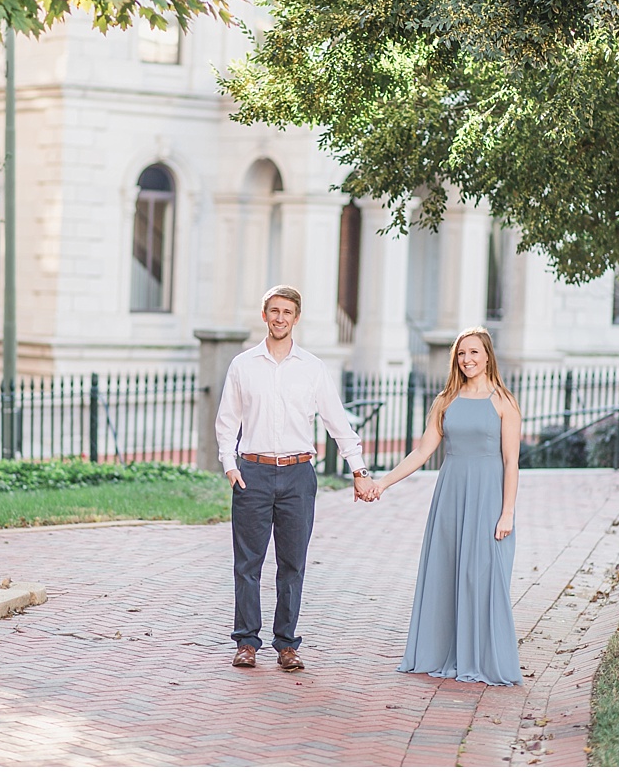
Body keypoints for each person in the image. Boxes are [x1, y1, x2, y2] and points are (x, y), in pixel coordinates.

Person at [214, 284, 376, 671]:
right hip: (251, 472)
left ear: (296, 318)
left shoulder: (313, 368)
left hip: (298, 476)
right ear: (264, 315)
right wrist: (230, 464)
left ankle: (286, 644)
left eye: (287, 312)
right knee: (247, 564)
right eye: (274, 311)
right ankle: (247, 642)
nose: (280, 318)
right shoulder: (243, 365)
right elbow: (226, 420)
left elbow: (338, 422)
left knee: (292, 564)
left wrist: (359, 470)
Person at [362, 327, 522, 685]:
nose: (467, 359)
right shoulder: (445, 400)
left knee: (484, 577)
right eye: (461, 353)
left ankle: (484, 659)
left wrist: (507, 511)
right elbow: (421, 453)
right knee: (449, 573)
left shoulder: (504, 402)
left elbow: (511, 462)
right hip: (451, 496)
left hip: (489, 499)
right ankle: (443, 652)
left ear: (487, 356)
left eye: (474, 353)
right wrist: (382, 483)